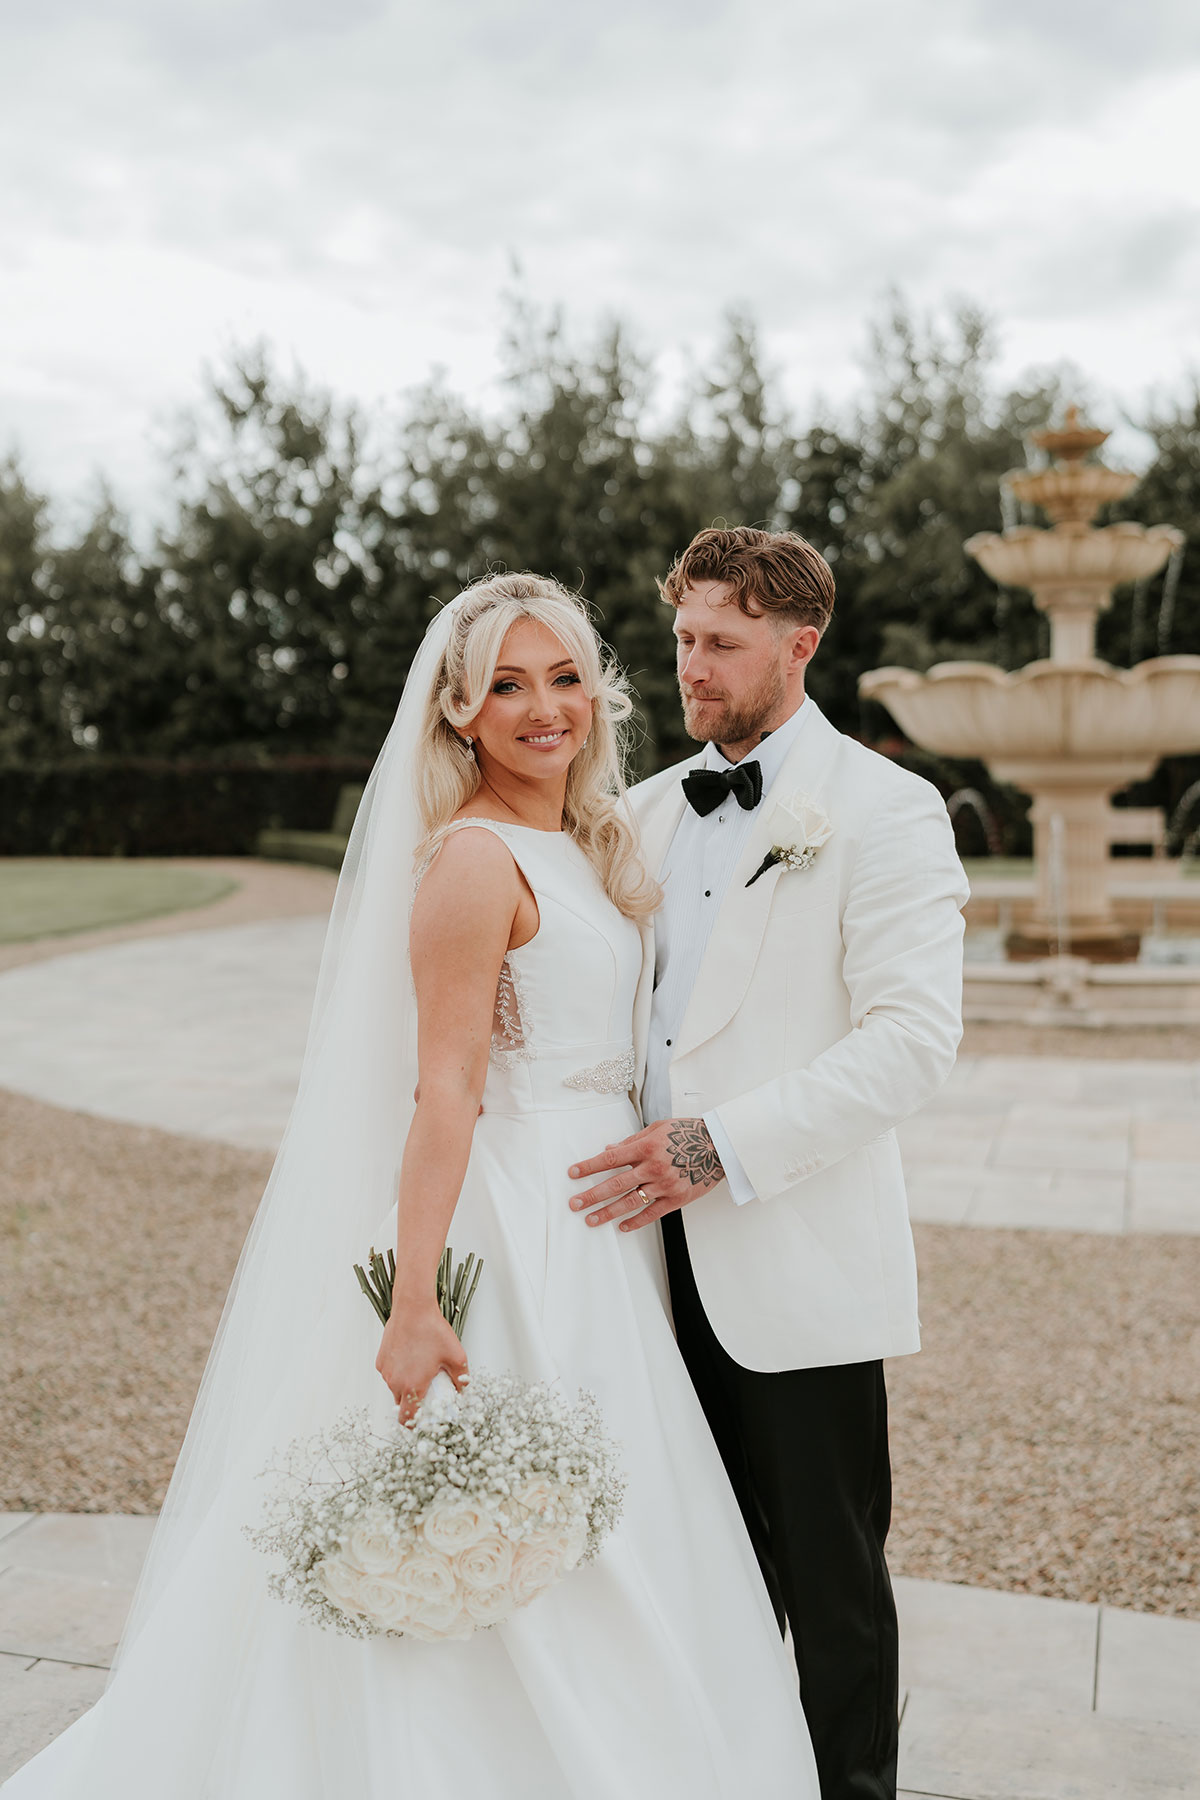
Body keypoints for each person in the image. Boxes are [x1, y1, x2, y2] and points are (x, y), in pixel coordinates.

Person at [3, 573, 818, 1800]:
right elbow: (445, 1093)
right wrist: (416, 1298)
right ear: (458, 713)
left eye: (564, 677)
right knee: (514, 1495)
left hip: (610, 1223)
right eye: (507, 686)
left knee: (610, 1508)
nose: (544, 708)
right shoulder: (474, 862)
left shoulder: (593, 841)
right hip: (526, 1222)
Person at [569, 528, 970, 1800]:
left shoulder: (886, 810)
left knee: (832, 1597)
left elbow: (912, 1043)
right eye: (684, 638)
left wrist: (716, 1146)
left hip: (795, 1269)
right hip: (633, 1272)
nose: (691, 667)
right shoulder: (637, 815)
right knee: (680, 1583)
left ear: (802, 645)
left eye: (723, 643)